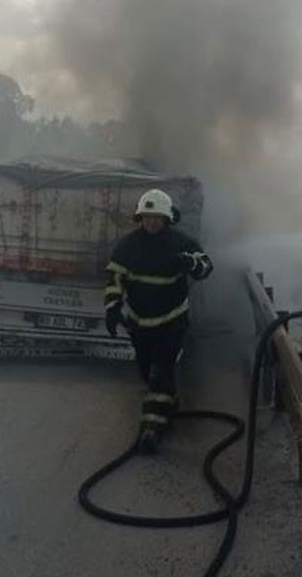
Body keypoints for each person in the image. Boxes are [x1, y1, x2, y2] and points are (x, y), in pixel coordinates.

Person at [104, 188, 213, 454]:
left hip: (171, 320)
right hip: (139, 322)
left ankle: (151, 429)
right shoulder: (127, 245)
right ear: (140, 217)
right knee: (145, 370)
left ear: (166, 218)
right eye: (147, 217)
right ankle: (168, 401)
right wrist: (112, 307)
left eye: (157, 217)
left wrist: (189, 263)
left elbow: (206, 267)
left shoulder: (181, 243)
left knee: (161, 371)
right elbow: (115, 279)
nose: (152, 222)